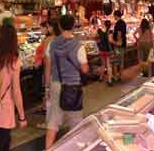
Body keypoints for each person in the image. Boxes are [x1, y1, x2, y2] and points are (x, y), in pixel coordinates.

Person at [44, 14, 90, 150]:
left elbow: (48, 68)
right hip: (73, 87)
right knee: (75, 123)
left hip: (56, 84)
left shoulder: (52, 44)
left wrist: (46, 88)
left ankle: (48, 149)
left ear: (59, 26)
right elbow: (84, 69)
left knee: (53, 122)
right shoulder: (79, 45)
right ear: (74, 26)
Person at [0, 20, 27, 151]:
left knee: (3, 140)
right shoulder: (13, 61)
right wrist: (22, 116)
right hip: (4, 107)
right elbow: (16, 90)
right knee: (0, 142)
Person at [33, 21, 50, 111]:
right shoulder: (47, 39)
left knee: (45, 87)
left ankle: (45, 108)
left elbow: (45, 54)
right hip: (43, 65)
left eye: (41, 28)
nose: (40, 30)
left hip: (44, 66)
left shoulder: (48, 39)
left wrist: (38, 61)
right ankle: (44, 106)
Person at [97, 20, 115, 86]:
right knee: (108, 65)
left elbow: (98, 40)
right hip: (108, 50)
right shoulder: (110, 31)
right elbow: (110, 40)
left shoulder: (99, 31)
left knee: (103, 64)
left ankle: (100, 78)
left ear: (104, 24)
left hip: (101, 50)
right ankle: (109, 81)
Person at [112, 10, 127, 81]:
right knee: (121, 61)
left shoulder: (118, 23)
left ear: (116, 15)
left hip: (119, 45)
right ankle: (120, 76)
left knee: (115, 61)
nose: (113, 17)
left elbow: (119, 34)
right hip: (123, 43)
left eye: (114, 15)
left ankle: (115, 76)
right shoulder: (123, 22)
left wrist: (117, 42)